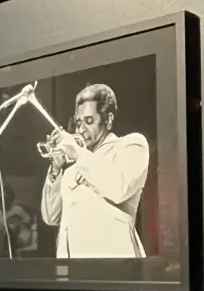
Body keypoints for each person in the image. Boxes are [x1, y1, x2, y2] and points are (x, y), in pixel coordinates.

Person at [40, 83, 150, 258]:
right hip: (74, 271)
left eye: (89, 121)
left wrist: (77, 153)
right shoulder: (72, 169)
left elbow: (119, 188)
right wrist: (55, 168)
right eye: (78, 122)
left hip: (115, 267)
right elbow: (51, 217)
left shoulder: (131, 145)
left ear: (108, 119)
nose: (81, 129)